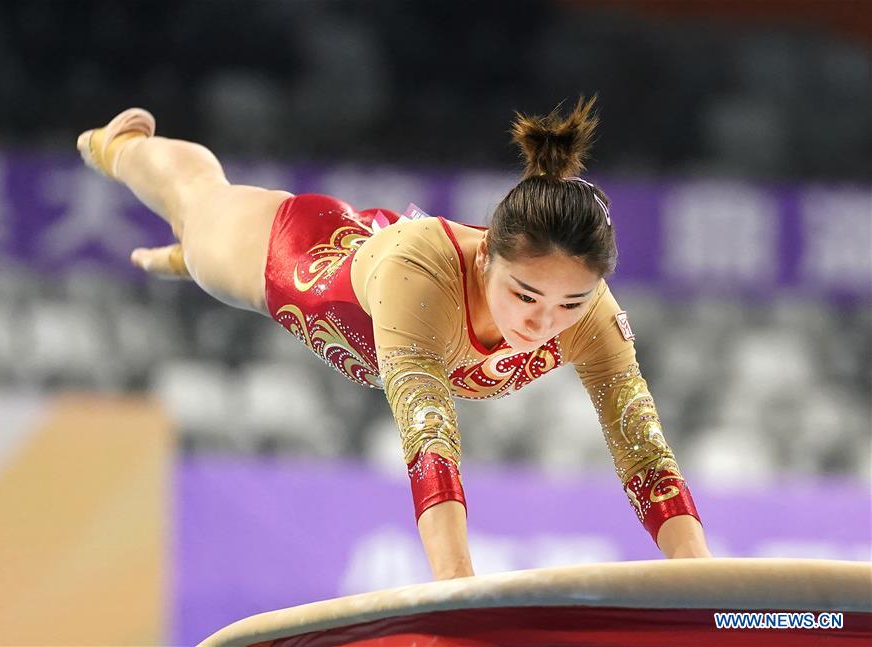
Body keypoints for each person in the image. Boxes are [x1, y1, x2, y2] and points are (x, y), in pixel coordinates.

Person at [77, 97, 711, 580]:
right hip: (297, 258)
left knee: (199, 244)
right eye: (526, 295)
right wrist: (457, 586)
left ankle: (182, 253)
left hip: (383, 258)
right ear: (487, 255)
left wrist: (698, 582)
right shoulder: (428, 278)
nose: (545, 322)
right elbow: (428, 437)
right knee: (198, 201)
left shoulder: (592, 317)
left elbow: (643, 452)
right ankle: (122, 146)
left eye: (571, 302)